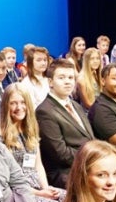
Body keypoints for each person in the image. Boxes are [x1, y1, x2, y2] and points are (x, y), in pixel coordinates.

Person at [0, 84, 64, 202]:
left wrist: (46, 188)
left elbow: (38, 165)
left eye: (23, 102)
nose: (19, 107)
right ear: (6, 105)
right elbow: (5, 179)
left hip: (39, 187)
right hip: (20, 193)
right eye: (13, 103)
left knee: (76, 200)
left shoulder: (30, 128)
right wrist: (40, 194)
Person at [36, 58, 95, 188]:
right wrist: (92, 155)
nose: (68, 81)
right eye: (61, 78)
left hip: (88, 165)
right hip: (66, 173)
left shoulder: (75, 105)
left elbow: (90, 138)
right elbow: (61, 153)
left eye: (70, 77)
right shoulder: (44, 111)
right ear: (50, 82)